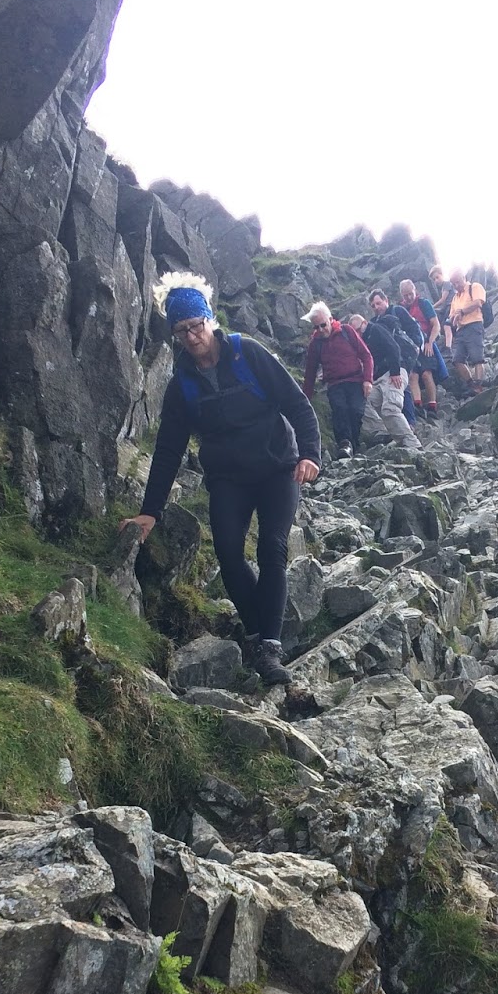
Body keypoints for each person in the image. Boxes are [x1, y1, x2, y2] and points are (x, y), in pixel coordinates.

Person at [119, 273, 320, 688]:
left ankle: (268, 645)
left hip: (277, 468)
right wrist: (149, 512)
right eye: (181, 330)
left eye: (196, 325)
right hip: (229, 477)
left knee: (272, 547)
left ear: (210, 319)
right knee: (229, 552)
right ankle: (256, 631)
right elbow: (168, 451)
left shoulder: (248, 354)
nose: (192, 336)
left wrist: (310, 455)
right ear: (175, 334)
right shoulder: (182, 387)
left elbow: (296, 403)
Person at [300, 300, 373, 460]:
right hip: (334, 384)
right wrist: (306, 397)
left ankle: (354, 444)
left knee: (356, 411)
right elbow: (310, 372)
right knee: (339, 410)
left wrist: (368, 380)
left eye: (323, 325)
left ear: (330, 319)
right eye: (316, 327)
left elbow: (366, 355)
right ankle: (344, 444)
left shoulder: (347, 331)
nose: (320, 330)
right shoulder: (315, 344)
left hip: (355, 380)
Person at [347, 315, 420, 448]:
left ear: (364, 323)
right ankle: (385, 433)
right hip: (378, 378)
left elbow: (393, 347)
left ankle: (411, 443)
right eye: (354, 332)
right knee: (364, 402)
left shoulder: (376, 329)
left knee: (390, 407)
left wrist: (395, 372)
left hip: (393, 373)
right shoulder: (361, 342)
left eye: (357, 330)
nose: (357, 334)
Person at [368, 289, 423, 429]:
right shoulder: (374, 322)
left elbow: (413, 328)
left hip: (405, 355)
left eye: (378, 303)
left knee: (402, 386)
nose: (377, 307)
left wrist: (417, 345)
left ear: (386, 300)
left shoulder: (398, 311)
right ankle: (401, 423)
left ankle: (409, 422)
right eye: (373, 306)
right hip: (387, 361)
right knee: (396, 387)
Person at [398, 278, 441, 418]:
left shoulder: (424, 304)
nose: (409, 297)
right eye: (406, 295)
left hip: (425, 343)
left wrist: (430, 342)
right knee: (413, 376)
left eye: (411, 294)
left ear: (415, 291)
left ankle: (432, 405)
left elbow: (435, 324)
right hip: (410, 348)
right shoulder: (400, 309)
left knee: (426, 373)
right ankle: (417, 405)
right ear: (401, 295)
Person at [448, 269, 487, 395]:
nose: (456, 286)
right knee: (457, 359)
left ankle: (480, 384)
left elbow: (478, 302)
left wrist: (462, 311)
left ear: (463, 278)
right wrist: (454, 318)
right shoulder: (455, 298)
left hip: (474, 324)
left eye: (458, 282)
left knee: (477, 357)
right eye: (453, 284)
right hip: (460, 330)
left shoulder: (474, 287)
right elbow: (451, 316)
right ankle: (471, 384)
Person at [428, 265, 453, 353]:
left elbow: (443, 300)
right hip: (446, 308)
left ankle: (448, 347)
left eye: (437, 277)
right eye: (434, 280)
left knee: (446, 326)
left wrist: (431, 307)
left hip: (451, 307)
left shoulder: (447, 284)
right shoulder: (442, 288)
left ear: (442, 274)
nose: (436, 281)